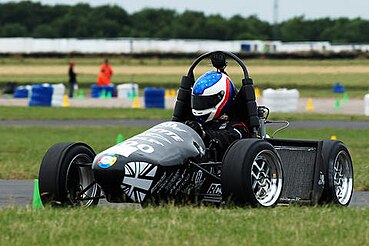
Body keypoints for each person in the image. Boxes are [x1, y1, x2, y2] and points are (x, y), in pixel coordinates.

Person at [185, 70, 249, 161]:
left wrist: (202, 134)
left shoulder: (237, 124)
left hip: (222, 168)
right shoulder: (196, 121)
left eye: (205, 102)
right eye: (198, 101)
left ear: (221, 98)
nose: (201, 105)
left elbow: (230, 138)